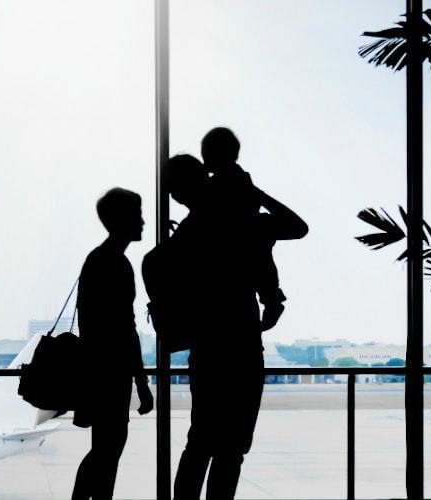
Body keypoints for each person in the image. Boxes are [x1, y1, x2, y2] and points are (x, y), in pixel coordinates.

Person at [171, 128, 308, 500]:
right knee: (232, 447)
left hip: (208, 340)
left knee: (200, 440)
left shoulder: (198, 223)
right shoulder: (246, 217)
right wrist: (255, 194)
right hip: (243, 338)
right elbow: (297, 228)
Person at [71, 187, 155, 500]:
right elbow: (125, 330)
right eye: (138, 214)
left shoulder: (98, 260)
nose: (144, 221)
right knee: (109, 449)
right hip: (111, 374)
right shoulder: (116, 264)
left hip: (99, 371)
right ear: (121, 220)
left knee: (103, 450)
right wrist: (142, 382)